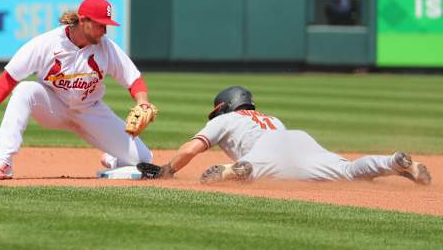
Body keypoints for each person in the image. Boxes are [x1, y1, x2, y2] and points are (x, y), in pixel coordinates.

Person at [0, 0, 155, 180]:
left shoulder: (107, 48)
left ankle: (114, 159)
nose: (104, 30)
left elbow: (133, 79)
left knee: (144, 161)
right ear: (83, 19)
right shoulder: (47, 42)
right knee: (25, 90)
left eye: (106, 25)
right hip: (52, 106)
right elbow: (10, 76)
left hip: (90, 110)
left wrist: (142, 102)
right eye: (100, 24)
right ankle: (2, 162)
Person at [138, 86, 431, 186]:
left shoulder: (225, 119)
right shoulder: (270, 117)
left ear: (224, 107)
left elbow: (191, 149)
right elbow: (285, 150)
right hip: (297, 138)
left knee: (253, 169)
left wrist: (167, 170)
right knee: (347, 170)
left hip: (265, 150)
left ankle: (238, 170)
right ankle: (395, 162)